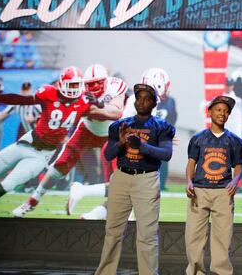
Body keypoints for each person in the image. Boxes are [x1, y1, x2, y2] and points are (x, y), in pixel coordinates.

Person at [0, 66, 106, 217]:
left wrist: (100, 103)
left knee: (7, 185)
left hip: (42, 155)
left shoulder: (84, 101)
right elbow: (23, 100)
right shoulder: (48, 92)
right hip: (26, 143)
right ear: (61, 83)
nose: (74, 89)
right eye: (71, 84)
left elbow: (104, 114)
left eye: (76, 85)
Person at [11, 64, 126, 217]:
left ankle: (97, 212)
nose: (96, 86)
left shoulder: (115, 85)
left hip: (112, 134)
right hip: (87, 130)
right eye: (91, 83)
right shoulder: (78, 91)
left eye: (99, 82)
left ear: (106, 80)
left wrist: (98, 105)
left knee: (118, 180)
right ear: (85, 83)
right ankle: (32, 201)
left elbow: (116, 112)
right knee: (59, 166)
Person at [95, 83, 175, 275]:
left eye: (147, 98)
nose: (141, 101)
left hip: (146, 180)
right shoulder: (120, 125)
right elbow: (108, 155)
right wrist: (121, 143)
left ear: (154, 103)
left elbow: (166, 154)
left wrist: (142, 146)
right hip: (121, 177)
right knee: (112, 231)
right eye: (139, 97)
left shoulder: (162, 126)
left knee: (147, 234)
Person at [73, 67, 173, 219]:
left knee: (122, 198)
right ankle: (82, 191)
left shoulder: (139, 98)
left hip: (119, 147)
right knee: (126, 192)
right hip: (123, 150)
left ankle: (90, 216)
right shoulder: (145, 101)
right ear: (158, 84)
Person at [184, 95, 242, 275]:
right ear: (209, 111)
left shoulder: (235, 141)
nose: (222, 114)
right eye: (218, 110)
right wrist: (189, 181)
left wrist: (235, 181)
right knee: (194, 237)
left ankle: (222, 272)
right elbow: (191, 163)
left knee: (222, 239)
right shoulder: (198, 139)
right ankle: (195, 272)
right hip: (199, 191)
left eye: (226, 112)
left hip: (223, 193)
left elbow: (239, 165)